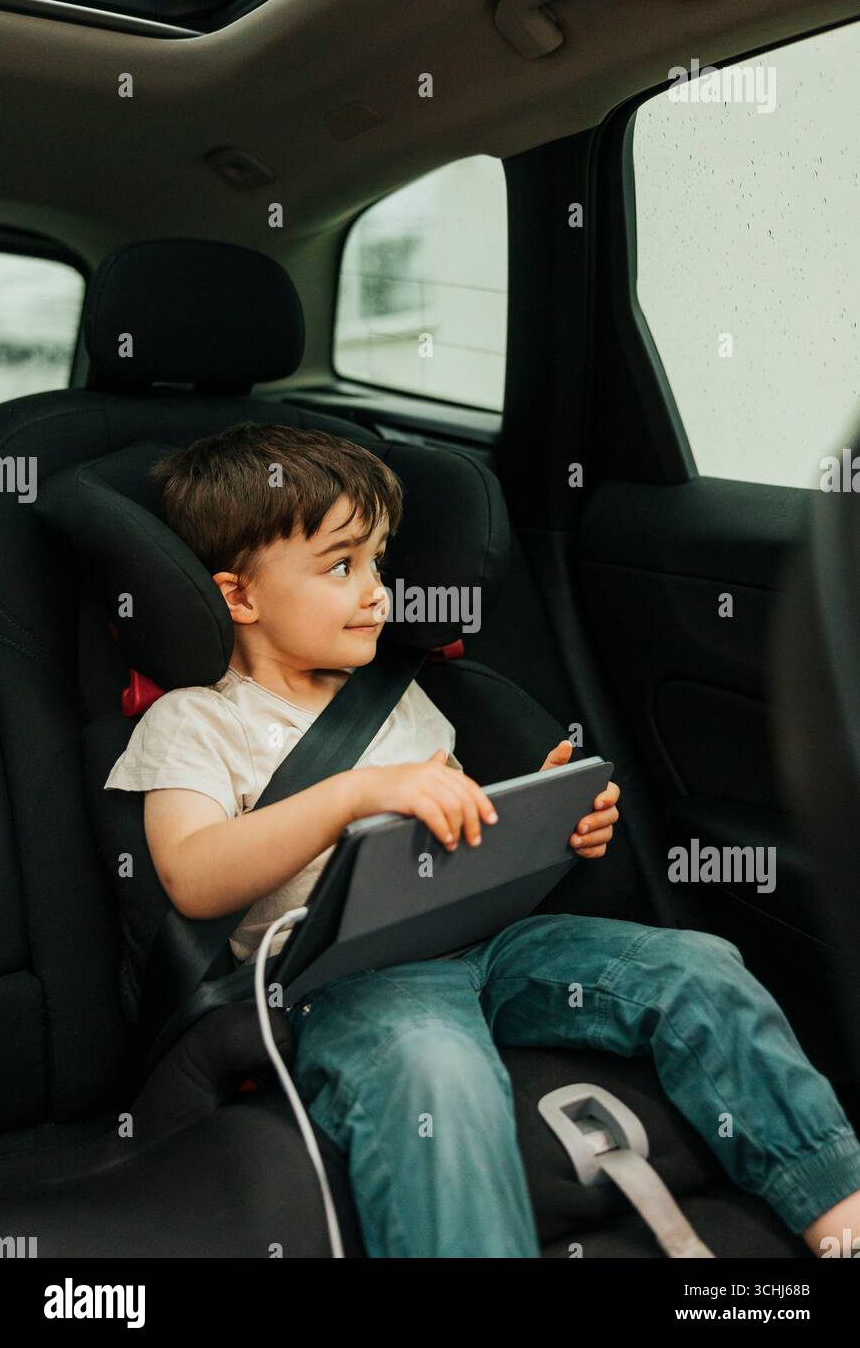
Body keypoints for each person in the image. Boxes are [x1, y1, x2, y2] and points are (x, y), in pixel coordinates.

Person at [106, 422, 860, 1258]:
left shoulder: (396, 697)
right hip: (353, 977)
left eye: (380, 564)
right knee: (437, 1070)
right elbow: (191, 874)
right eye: (341, 566)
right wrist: (352, 792)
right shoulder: (195, 721)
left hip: (487, 943)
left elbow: (450, 829)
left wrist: (546, 824)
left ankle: (836, 1215)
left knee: (697, 966)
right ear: (240, 597)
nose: (377, 592)